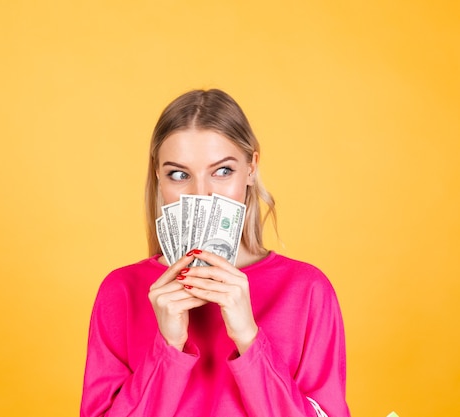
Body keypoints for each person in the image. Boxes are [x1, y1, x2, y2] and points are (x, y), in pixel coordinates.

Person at [81, 89, 350, 416]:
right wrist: (167, 350)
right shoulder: (121, 292)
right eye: (179, 175)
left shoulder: (307, 291)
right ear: (158, 176)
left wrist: (250, 340)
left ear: (251, 168)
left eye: (222, 171)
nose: (202, 194)